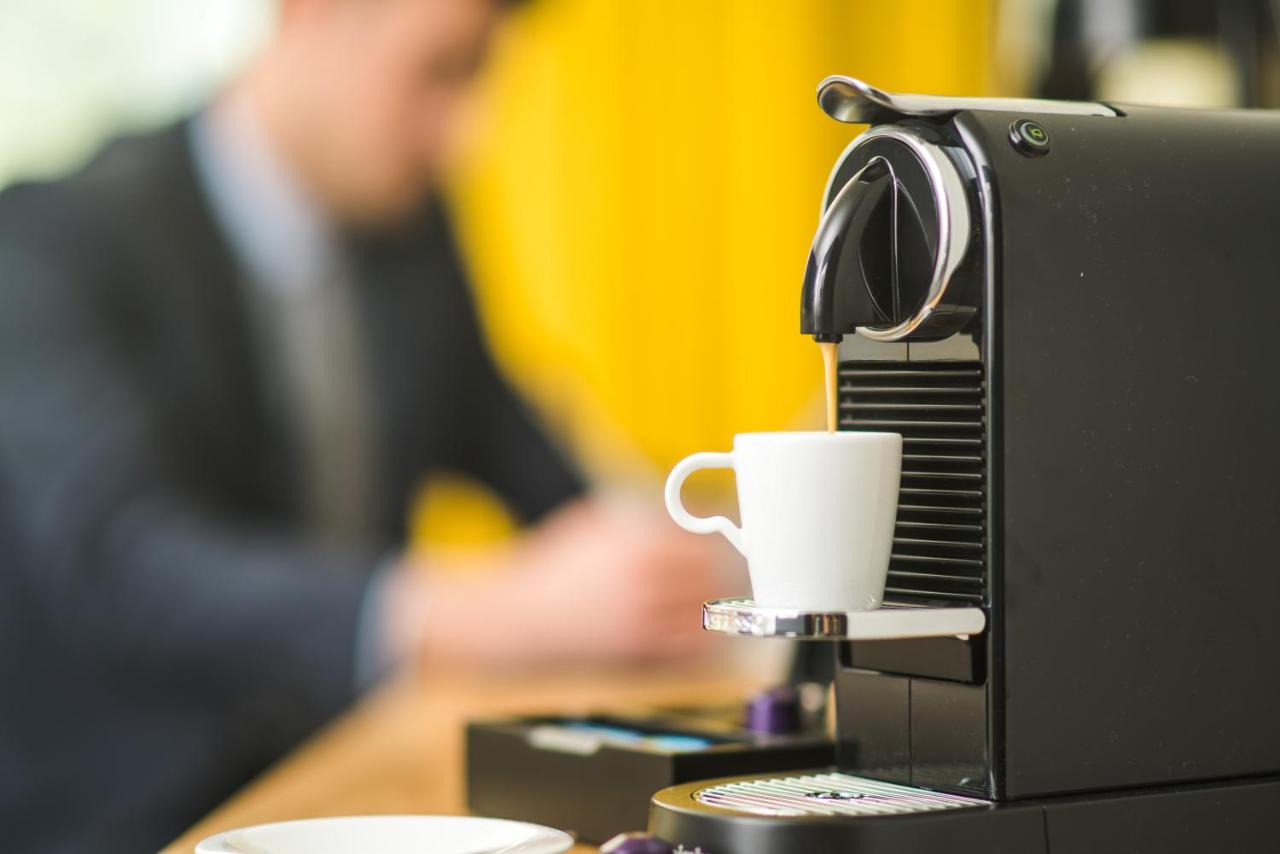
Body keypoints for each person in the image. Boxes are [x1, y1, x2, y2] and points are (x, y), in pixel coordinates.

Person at [0, 1, 725, 851]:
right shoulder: (55, 239)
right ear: (311, 16)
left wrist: (672, 540)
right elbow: (118, 557)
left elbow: (528, 462)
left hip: (355, 778)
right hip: (128, 816)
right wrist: (463, 612)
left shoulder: (408, 229)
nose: (464, 134)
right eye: (440, 70)